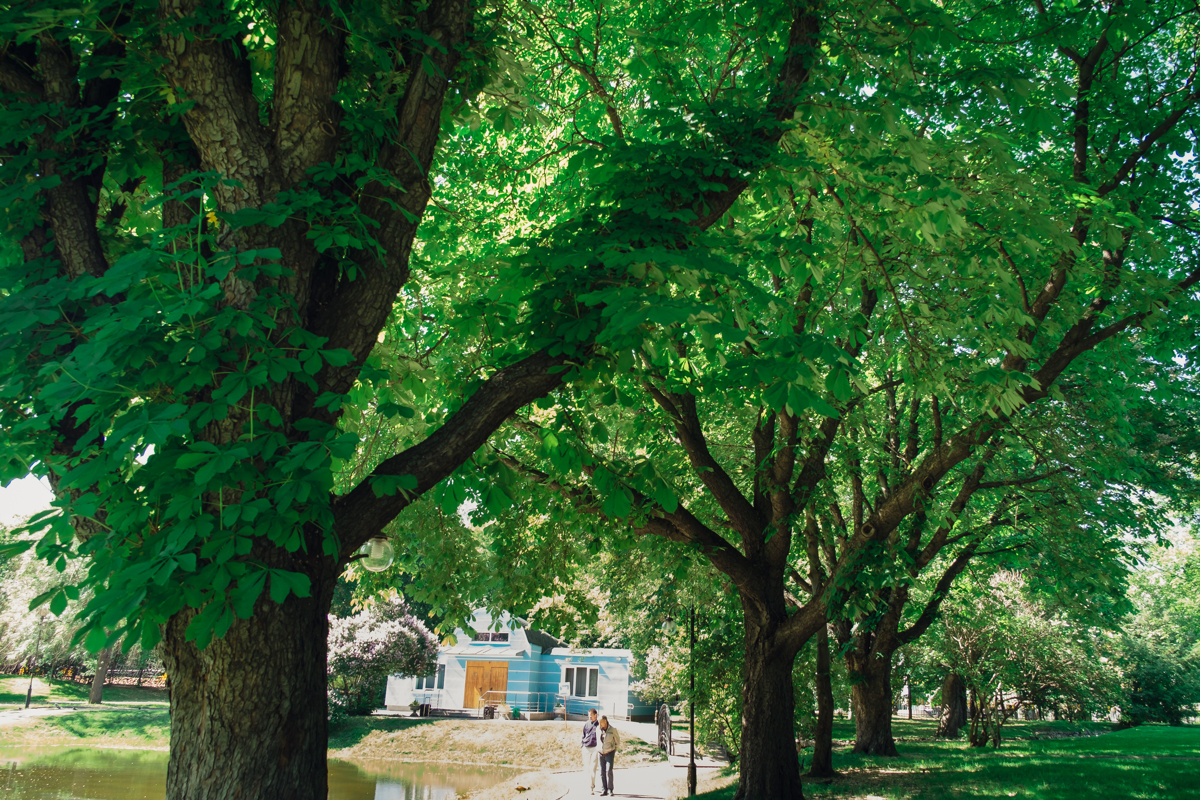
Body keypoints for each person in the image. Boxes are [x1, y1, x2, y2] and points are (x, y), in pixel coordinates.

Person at [598, 715, 622, 796]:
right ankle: (603, 789)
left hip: (609, 752)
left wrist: (614, 750)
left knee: (609, 771)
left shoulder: (612, 729)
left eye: (601, 722)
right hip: (601, 753)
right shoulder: (598, 729)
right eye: (599, 722)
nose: (600, 724)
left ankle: (610, 789)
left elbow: (617, 742)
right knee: (602, 772)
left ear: (606, 722)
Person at [580, 707, 600, 794]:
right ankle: (588, 784)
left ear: (596, 715)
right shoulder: (586, 724)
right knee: (587, 768)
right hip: (586, 747)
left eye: (591, 716)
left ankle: (591, 787)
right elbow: (583, 734)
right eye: (589, 716)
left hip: (595, 748)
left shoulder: (599, 725)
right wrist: (582, 744)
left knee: (593, 768)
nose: (590, 718)